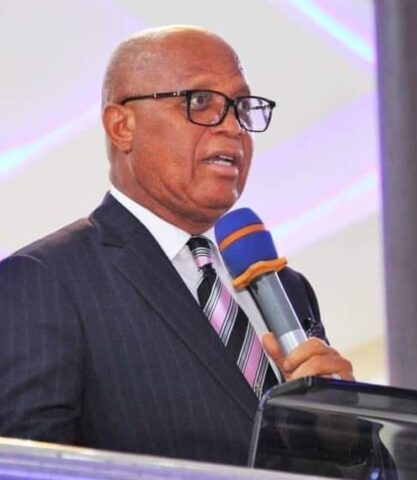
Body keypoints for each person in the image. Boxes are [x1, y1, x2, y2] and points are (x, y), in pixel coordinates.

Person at [0, 25, 353, 466]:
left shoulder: (288, 288)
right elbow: (25, 469)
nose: (233, 127)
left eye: (241, 107)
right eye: (200, 101)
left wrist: (344, 432)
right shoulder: (44, 281)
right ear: (122, 126)